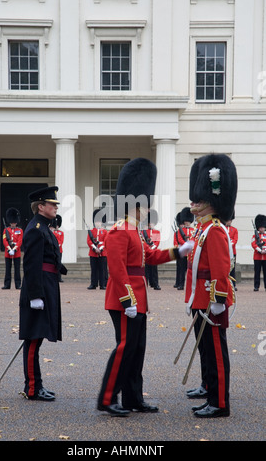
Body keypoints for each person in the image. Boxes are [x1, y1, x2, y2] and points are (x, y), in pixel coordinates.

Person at [97, 158, 193, 417]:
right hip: (124, 299)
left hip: (137, 299)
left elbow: (149, 257)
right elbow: (117, 271)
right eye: (146, 206)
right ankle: (107, 398)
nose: (148, 210)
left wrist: (177, 252)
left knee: (137, 350)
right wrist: (128, 301)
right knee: (124, 348)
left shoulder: (135, 230)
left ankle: (132, 398)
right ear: (136, 205)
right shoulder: (118, 231)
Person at [184, 153, 237, 418]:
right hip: (201, 300)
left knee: (216, 353)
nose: (195, 203)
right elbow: (194, 271)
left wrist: (217, 300)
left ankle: (220, 403)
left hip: (211, 302)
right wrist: (192, 298)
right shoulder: (203, 229)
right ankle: (212, 394)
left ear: (211, 203)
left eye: (201, 199)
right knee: (206, 349)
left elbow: (219, 269)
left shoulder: (215, 230)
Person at [19, 186, 67, 401]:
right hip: (38, 289)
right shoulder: (36, 229)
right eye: (52, 204)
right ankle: (32, 388)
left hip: (46, 285)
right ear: (40, 206)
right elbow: (30, 265)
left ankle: (36, 385)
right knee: (33, 339)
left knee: (37, 339)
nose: (55, 207)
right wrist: (35, 296)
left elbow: (46, 255)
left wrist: (60, 266)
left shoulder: (43, 227)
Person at [173, 207, 194, 290]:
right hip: (184, 252)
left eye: (188, 221)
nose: (187, 223)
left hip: (191, 253)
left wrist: (190, 243)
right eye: (186, 221)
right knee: (182, 270)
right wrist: (186, 244)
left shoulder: (193, 230)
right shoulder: (180, 231)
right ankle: (181, 284)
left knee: (191, 270)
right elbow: (180, 239)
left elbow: (194, 238)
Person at [2, 208, 23, 290]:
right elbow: (4, 240)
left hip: (16, 252)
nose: (13, 224)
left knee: (17, 269)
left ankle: (18, 284)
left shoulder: (20, 230)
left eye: (14, 222)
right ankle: (7, 285)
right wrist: (8, 248)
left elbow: (20, 241)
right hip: (8, 252)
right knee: (8, 269)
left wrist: (14, 249)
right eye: (12, 222)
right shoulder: (6, 230)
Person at [87, 209, 108, 290]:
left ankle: (103, 284)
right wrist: (95, 248)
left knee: (102, 269)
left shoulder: (105, 232)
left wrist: (100, 248)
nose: (97, 223)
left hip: (102, 253)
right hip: (93, 253)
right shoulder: (91, 231)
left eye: (99, 221)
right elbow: (89, 241)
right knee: (94, 269)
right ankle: (93, 284)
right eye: (96, 222)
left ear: (102, 222)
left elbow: (106, 241)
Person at [142, 209, 161, 290]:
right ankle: (145, 284)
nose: (151, 224)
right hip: (146, 252)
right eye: (150, 223)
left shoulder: (157, 232)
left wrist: (152, 247)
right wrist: (147, 248)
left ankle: (155, 284)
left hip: (153, 252)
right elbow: (142, 240)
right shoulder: (143, 231)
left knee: (154, 270)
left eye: (152, 223)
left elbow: (157, 242)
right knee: (145, 270)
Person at [251, 214, 266, 291]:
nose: (262, 229)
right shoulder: (255, 236)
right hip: (257, 257)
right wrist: (260, 250)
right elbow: (253, 244)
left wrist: (265, 250)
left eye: (263, 227)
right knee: (257, 272)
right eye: (260, 227)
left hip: (265, 257)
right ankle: (256, 286)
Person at [226, 215, 238, 290]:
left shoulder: (234, 230)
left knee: (232, 269)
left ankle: (233, 284)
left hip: (232, 251)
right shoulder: (222, 228)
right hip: (224, 251)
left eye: (230, 220)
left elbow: (235, 239)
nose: (228, 222)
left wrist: (229, 245)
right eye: (228, 220)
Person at [51, 214, 65, 283]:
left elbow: (61, 241)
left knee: (58, 263)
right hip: (52, 250)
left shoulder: (61, 233)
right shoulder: (52, 232)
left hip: (59, 250)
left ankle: (59, 277)